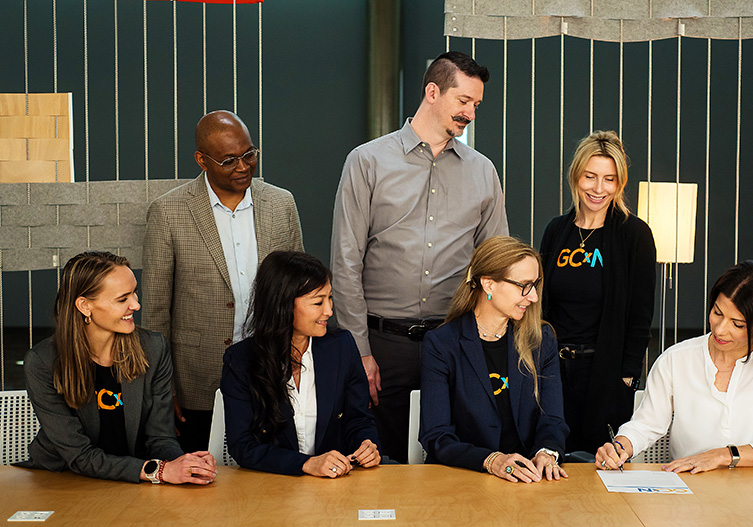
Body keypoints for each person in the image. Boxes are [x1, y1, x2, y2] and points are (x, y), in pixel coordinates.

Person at [331, 51, 508, 462]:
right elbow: (346, 261)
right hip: (381, 344)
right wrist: (360, 351)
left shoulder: (483, 172)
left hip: (454, 343)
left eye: (476, 105)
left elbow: (496, 265)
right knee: (381, 461)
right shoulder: (367, 161)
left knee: (454, 461)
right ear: (432, 91)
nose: (470, 114)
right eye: (463, 101)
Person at [142, 110, 304, 452]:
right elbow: (156, 310)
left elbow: (298, 292)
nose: (243, 167)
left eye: (249, 155)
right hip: (195, 378)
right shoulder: (168, 212)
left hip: (270, 373)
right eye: (229, 160)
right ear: (202, 160)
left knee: (269, 475)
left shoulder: (280, 203)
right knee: (200, 479)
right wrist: (161, 387)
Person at [23, 251, 217, 484]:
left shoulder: (153, 348)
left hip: (134, 478)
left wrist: (186, 466)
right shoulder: (42, 362)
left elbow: (160, 438)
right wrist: (160, 470)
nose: (136, 304)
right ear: (85, 306)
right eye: (122, 299)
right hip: (62, 479)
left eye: (134, 292)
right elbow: (79, 455)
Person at [595, 261, 753, 473]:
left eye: (737, 324)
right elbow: (646, 424)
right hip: (690, 486)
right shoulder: (676, 359)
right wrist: (619, 446)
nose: (720, 330)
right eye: (717, 313)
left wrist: (723, 455)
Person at [539, 130, 656, 455]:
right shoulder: (556, 230)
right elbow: (541, 306)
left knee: (599, 469)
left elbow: (640, 313)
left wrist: (627, 377)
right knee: (551, 458)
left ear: (620, 183)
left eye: (609, 179)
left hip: (604, 374)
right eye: (590, 177)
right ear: (576, 176)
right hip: (554, 372)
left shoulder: (633, 234)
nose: (598, 188)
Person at [420, 236, 568, 483]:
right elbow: (437, 436)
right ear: (488, 284)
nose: (532, 297)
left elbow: (553, 419)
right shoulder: (442, 344)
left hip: (527, 482)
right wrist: (491, 460)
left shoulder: (542, 339)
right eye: (523, 285)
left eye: (535, 285)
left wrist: (546, 452)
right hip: (462, 481)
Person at [221, 251, 380, 476]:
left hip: (337, 485)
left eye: (330, 298)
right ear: (283, 304)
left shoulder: (342, 347)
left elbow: (359, 420)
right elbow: (243, 446)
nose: (329, 311)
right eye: (318, 302)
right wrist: (305, 464)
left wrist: (367, 445)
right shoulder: (240, 361)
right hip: (271, 487)